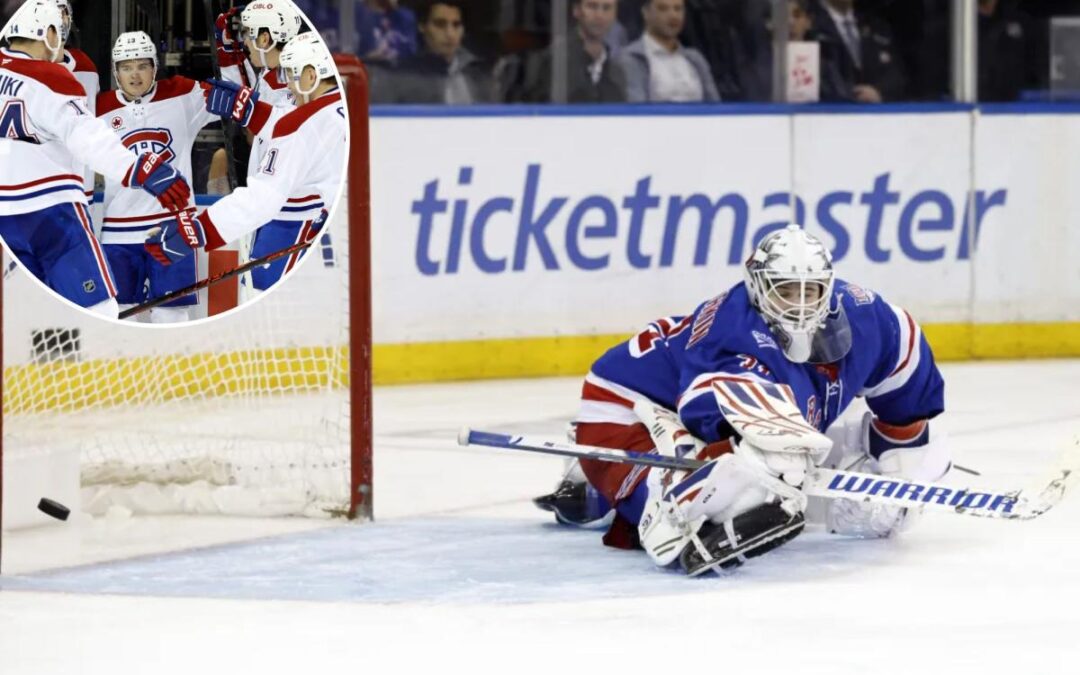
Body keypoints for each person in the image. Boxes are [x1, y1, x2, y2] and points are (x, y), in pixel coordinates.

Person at [535, 224, 949, 575]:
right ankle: (621, 488)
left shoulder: (873, 322)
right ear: (757, 287)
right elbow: (714, 421)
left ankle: (608, 489)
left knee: (782, 465)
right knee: (744, 484)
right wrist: (790, 474)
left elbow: (907, 397)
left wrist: (902, 473)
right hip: (624, 407)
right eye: (787, 291)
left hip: (686, 400)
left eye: (812, 291)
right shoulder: (730, 337)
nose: (802, 305)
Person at [0, 1, 191, 318]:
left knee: (28, 315)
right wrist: (137, 168)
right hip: (51, 213)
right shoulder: (51, 77)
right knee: (98, 310)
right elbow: (86, 136)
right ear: (46, 32)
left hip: (6, 217)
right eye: (57, 32)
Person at [144, 32, 344, 282]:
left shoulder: (299, 125)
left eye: (292, 74)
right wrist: (252, 111)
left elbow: (263, 198)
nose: (289, 85)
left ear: (312, 76)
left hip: (295, 229)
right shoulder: (350, 109)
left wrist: (197, 231)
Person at [96, 32, 221, 323]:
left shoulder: (182, 94)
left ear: (155, 67)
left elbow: (233, 97)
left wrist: (230, 60)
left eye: (142, 65)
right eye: (126, 67)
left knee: (172, 316)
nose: (135, 74)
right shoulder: (98, 108)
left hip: (172, 229)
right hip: (117, 232)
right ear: (116, 72)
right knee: (119, 317)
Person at [214, 1, 322, 292]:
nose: (245, 42)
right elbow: (244, 97)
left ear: (265, 38)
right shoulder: (274, 74)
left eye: (249, 34)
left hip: (293, 207)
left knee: (270, 290)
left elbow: (252, 109)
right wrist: (227, 52)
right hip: (275, 205)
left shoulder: (292, 81)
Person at [374, 0, 494, 104]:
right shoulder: (402, 75)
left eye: (456, 25)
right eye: (440, 24)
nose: (450, 34)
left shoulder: (480, 73)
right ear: (422, 27)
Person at [518, 0, 627, 103]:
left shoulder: (617, 73)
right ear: (576, 10)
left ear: (615, 15)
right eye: (592, 6)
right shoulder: (554, 62)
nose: (599, 15)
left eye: (607, 8)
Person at [617, 0, 720, 102]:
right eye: (663, 9)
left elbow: (716, 108)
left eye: (678, 9)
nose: (673, 16)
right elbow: (636, 112)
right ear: (646, 13)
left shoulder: (695, 59)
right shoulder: (630, 59)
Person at [811, 0, 905, 103]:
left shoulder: (876, 25)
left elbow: (897, 74)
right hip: (829, 113)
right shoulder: (810, 26)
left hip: (877, 114)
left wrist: (879, 92)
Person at [52, 0, 98, 200]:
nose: (58, 19)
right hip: (25, 193)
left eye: (62, 13)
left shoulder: (85, 67)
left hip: (77, 189)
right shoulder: (12, 68)